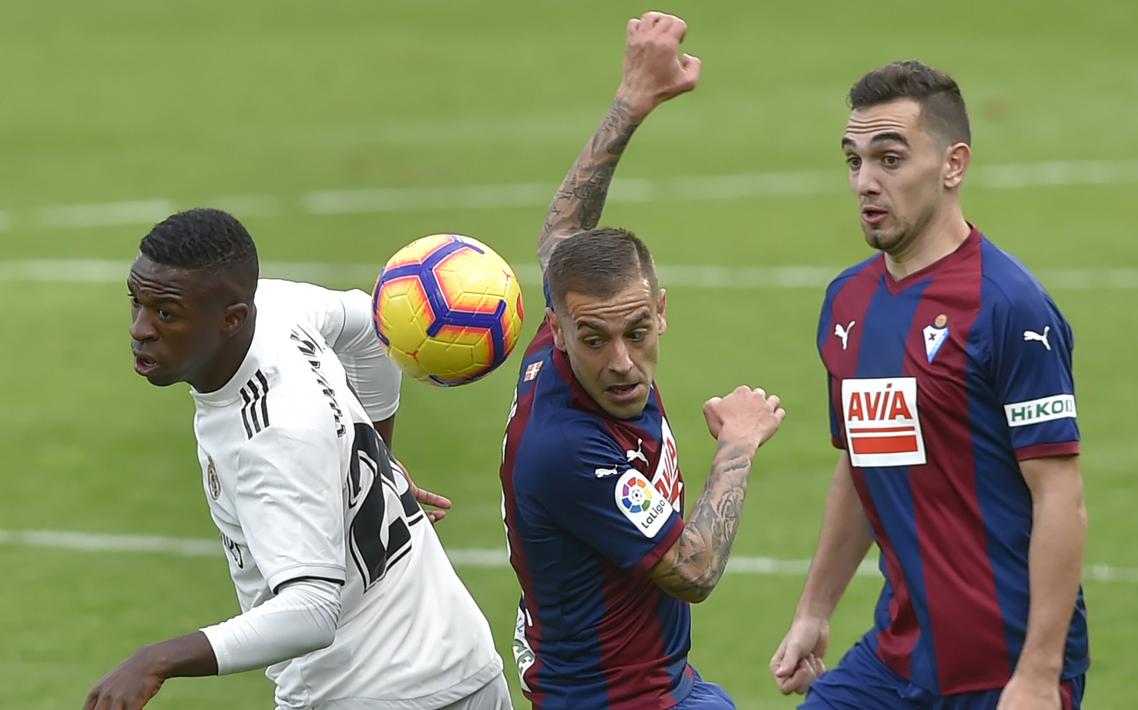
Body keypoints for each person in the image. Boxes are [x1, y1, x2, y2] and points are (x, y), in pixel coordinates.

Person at [86, 208, 511, 709]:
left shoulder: (272, 437)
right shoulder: (276, 308)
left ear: (231, 320)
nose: (139, 329)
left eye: (166, 314)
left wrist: (155, 660)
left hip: (366, 693)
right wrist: (375, 457)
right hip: (462, 662)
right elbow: (370, 326)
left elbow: (310, 612)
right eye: (137, 302)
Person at [770, 61, 1090, 710]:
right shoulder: (848, 303)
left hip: (1002, 668)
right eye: (854, 161)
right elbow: (865, 459)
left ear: (952, 165)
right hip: (896, 658)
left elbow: (1060, 495)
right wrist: (814, 609)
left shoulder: (1008, 306)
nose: (865, 181)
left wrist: (1037, 673)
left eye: (889, 159)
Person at [498, 11, 786, 710]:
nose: (623, 363)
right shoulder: (566, 448)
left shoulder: (567, 330)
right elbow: (694, 568)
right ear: (558, 332)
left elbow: (563, 233)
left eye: (637, 331)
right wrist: (738, 444)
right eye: (596, 341)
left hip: (668, 684)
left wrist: (631, 100)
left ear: (660, 311)